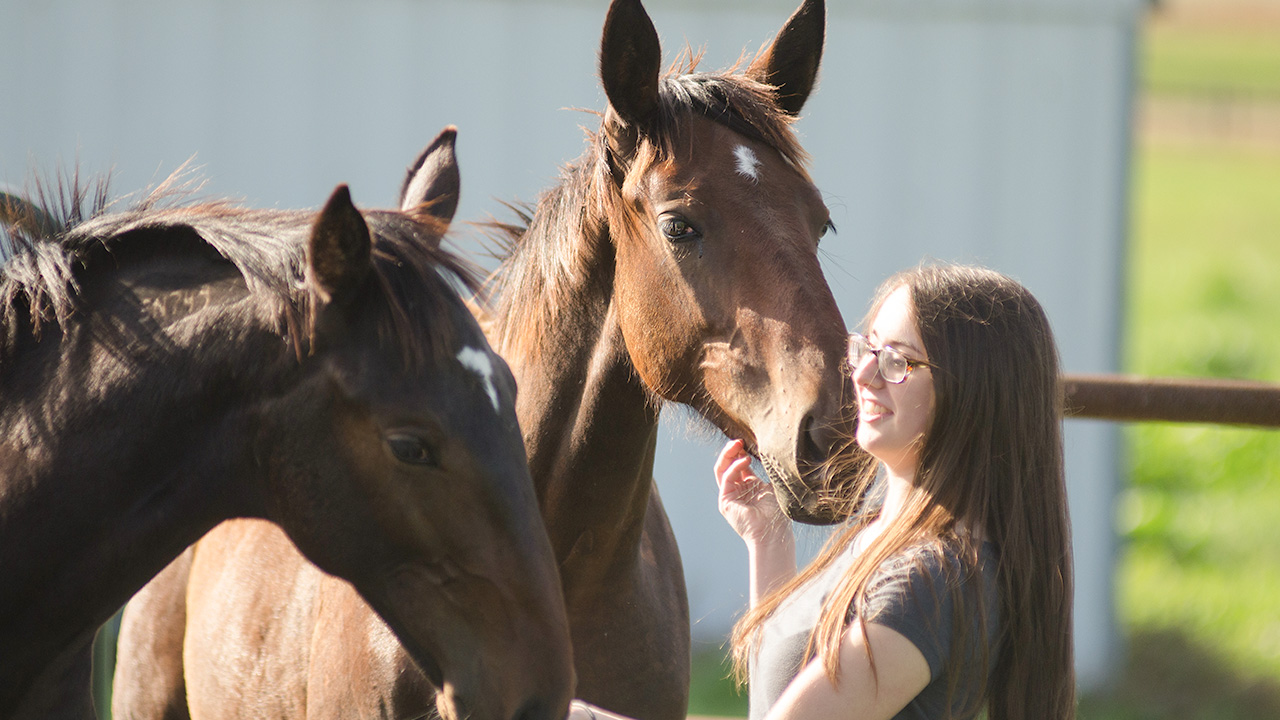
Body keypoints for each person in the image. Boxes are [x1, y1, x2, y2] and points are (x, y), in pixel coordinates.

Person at [568, 263, 1075, 720]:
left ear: (975, 392)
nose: (864, 373)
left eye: (898, 362)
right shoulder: (887, 542)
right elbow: (783, 691)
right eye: (867, 348)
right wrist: (767, 541)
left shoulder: (933, 581)